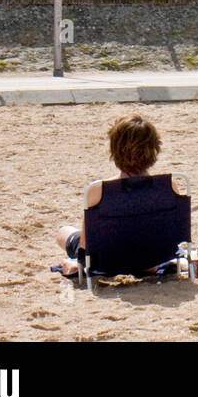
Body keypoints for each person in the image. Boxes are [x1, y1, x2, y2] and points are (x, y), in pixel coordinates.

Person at [55, 114, 169, 276]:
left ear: (114, 150)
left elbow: (86, 243)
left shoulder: (98, 190)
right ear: (155, 148)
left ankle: (75, 264)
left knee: (63, 232)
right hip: (150, 260)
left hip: (107, 260)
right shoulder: (168, 186)